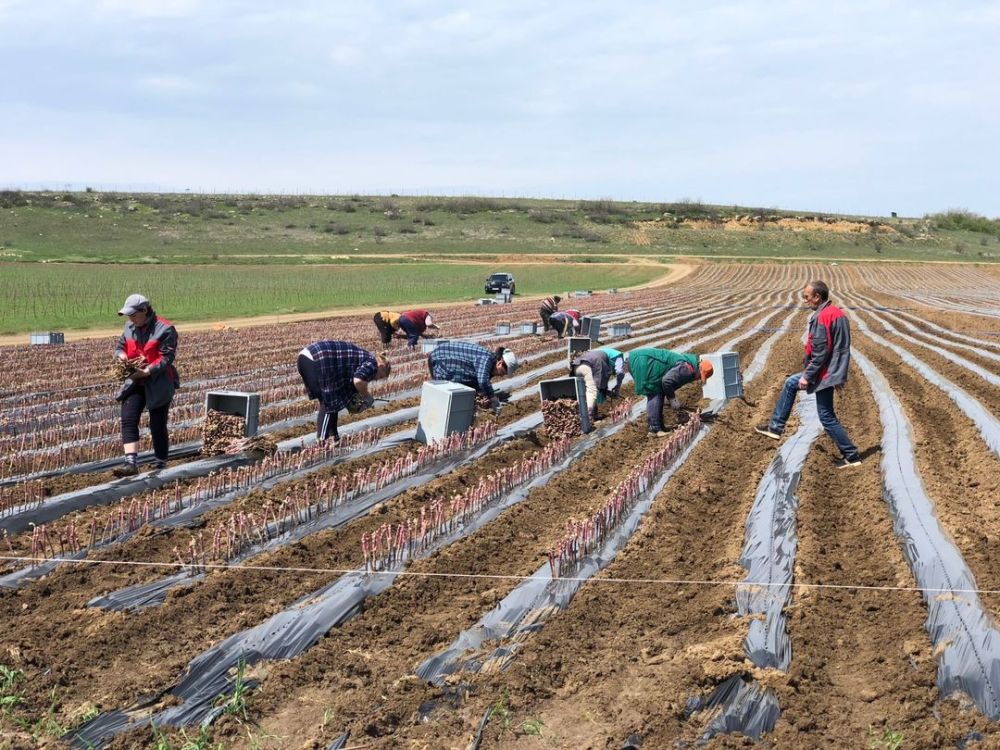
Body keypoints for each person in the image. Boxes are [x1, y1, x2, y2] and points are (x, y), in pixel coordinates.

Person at [755, 280, 861, 468]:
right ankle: (851, 455)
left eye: (807, 297)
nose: (805, 301)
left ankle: (776, 427)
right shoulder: (837, 313)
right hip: (832, 371)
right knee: (825, 414)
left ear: (817, 297)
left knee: (822, 413)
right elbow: (839, 348)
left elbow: (820, 352)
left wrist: (807, 376)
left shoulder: (823, 317)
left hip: (824, 373)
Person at [112, 294, 180, 477]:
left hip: (158, 381)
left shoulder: (165, 329)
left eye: (133, 315)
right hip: (135, 380)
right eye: (129, 316)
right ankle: (130, 463)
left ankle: (160, 462)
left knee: (157, 424)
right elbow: (119, 348)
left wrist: (148, 371)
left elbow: (167, 357)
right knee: (128, 418)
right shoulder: (129, 327)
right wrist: (123, 358)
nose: (130, 319)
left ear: (144, 311)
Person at [297, 341, 391, 442]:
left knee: (333, 400)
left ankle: (333, 437)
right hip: (318, 358)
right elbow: (358, 381)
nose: (375, 379)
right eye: (380, 376)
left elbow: (350, 384)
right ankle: (322, 441)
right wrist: (366, 397)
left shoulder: (364, 358)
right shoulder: (372, 364)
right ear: (381, 366)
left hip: (305, 358)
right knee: (329, 404)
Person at [627, 347, 714, 436]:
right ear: (699, 370)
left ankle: (659, 426)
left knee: (659, 391)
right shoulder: (686, 369)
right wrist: (672, 398)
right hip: (643, 362)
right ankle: (655, 429)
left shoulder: (690, 363)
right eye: (700, 376)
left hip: (640, 359)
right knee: (655, 391)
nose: (698, 378)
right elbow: (667, 381)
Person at [427, 341, 519, 413]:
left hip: (448, 364)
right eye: (503, 372)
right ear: (500, 363)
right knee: (443, 397)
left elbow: (477, 385)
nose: (502, 375)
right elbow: (483, 381)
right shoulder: (486, 358)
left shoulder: (488, 368)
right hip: (441, 358)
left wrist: (482, 399)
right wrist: (493, 398)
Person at [569, 347, 625, 424]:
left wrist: (607, 392)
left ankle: (593, 414)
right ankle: (588, 417)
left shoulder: (600, 352)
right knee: (592, 390)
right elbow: (620, 373)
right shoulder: (618, 356)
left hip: (576, 366)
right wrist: (617, 388)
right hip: (588, 367)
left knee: (587, 390)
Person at [373, 309, 439, 348]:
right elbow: (393, 321)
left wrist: (425, 336)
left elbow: (415, 332)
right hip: (381, 317)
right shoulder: (398, 317)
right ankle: (410, 347)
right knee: (385, 332)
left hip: (393, 321)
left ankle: (388, 346)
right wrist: (437, 327)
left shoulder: (416, 322)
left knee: (411, 335)